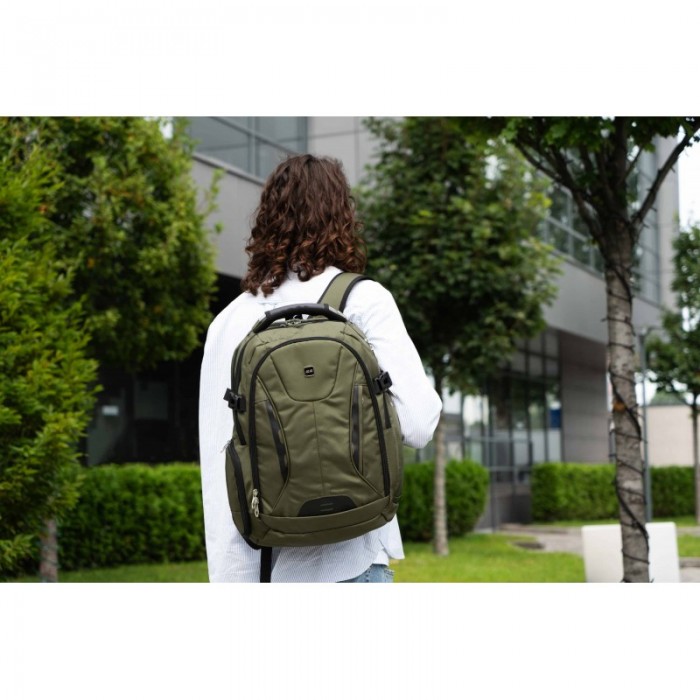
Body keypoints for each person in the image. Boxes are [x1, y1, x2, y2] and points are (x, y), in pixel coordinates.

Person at [198, 153, 442, 582]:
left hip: (264, 568)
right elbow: (419, 425)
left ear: (266, 221)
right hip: (354, 560)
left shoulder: (228, 323)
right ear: (342, 216)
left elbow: (221, 461)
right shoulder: (363, 300)